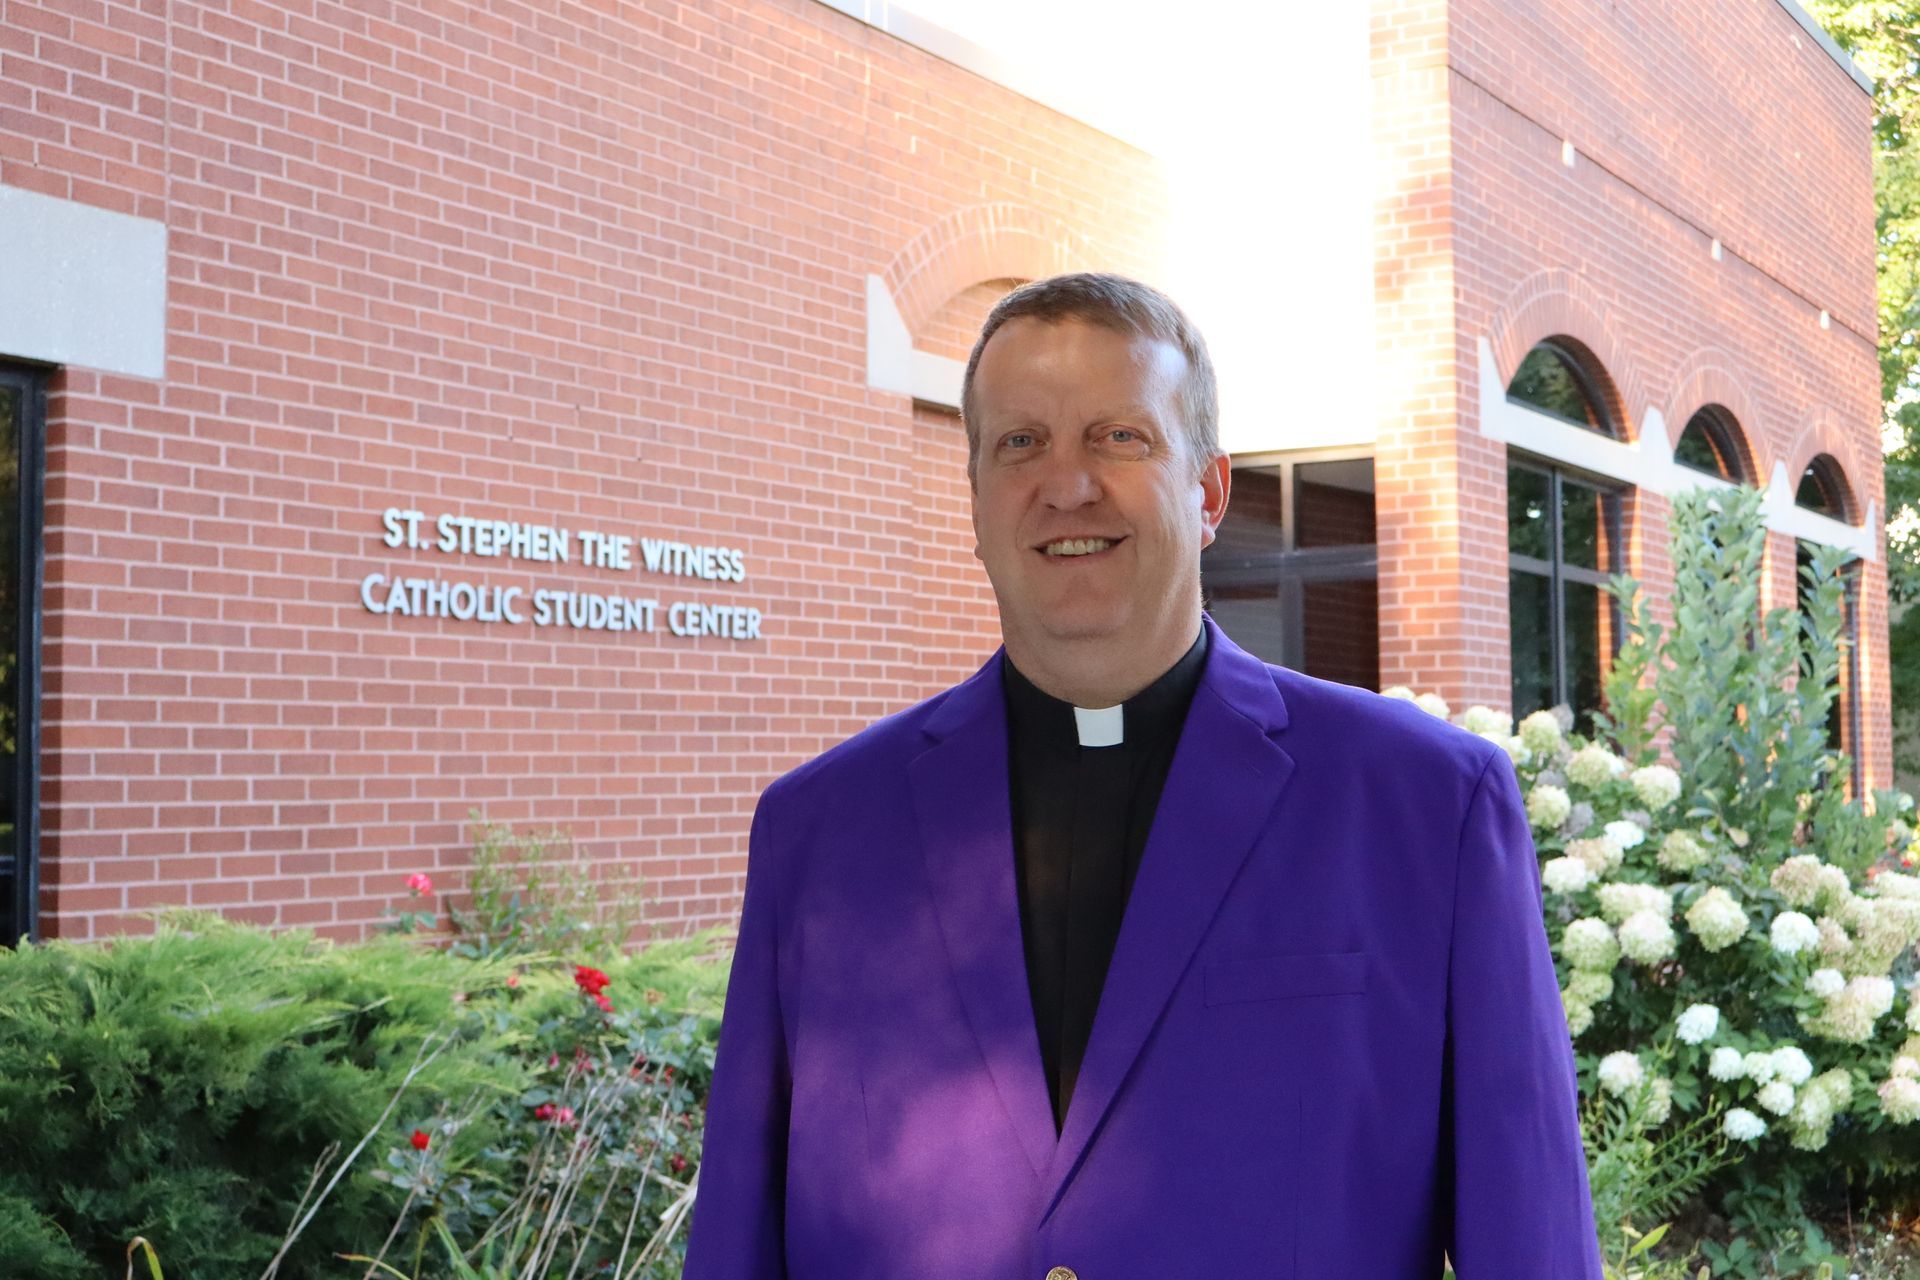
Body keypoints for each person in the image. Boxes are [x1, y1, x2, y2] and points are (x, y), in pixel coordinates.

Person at [682, 273, 1602, 1278]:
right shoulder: (817, 832)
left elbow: (1533, 1244)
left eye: (1119, 436)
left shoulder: (1426, 806)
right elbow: (738, 1238)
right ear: (977, 499)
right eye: (1020, 442)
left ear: (1209, 491)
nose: (1067, 483)